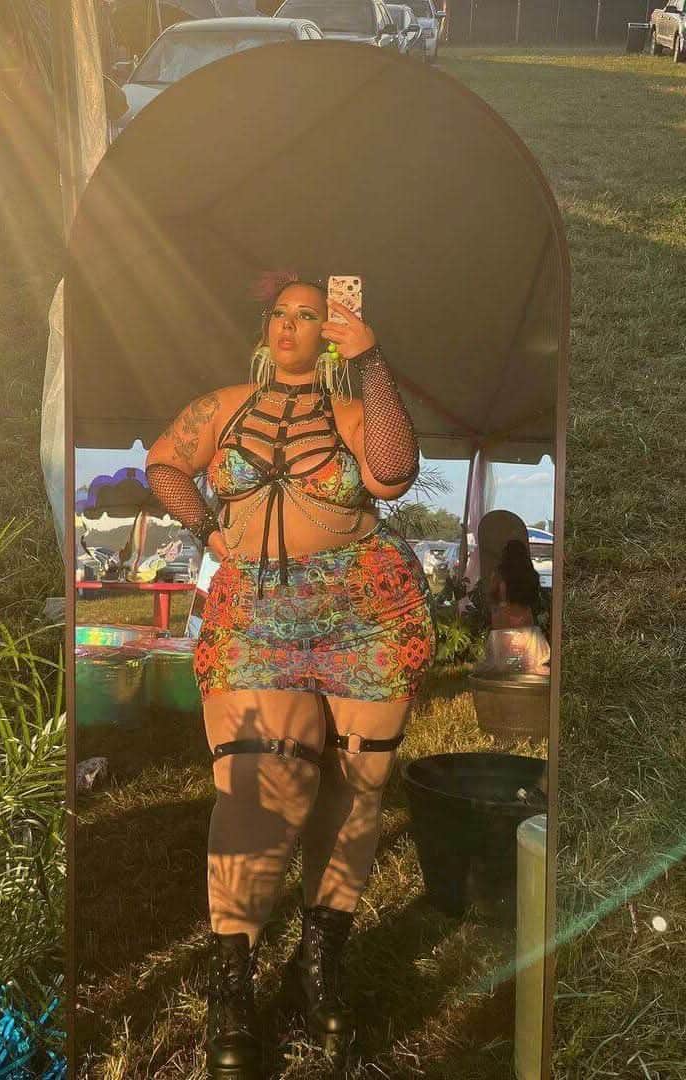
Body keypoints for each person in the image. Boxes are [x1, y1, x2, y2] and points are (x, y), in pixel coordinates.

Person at [145, 275, 437, 1078]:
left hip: (363, 607)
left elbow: (391, 471)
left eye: (311, 315)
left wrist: (370, 359)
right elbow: (166, 463)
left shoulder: (350, 412)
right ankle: (231, 985)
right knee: (265, 781)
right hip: (256, 611)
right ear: (265, 325)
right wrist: (206, 527)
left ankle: (320, 962)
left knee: (358, 785)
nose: (291, 324)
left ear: (328, 333)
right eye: (282, 311)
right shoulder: (226, 406)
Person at [477, 538, 549, 675]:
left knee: (501, 664)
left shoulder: (499, 574)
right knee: (528, 663)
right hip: (525, 616)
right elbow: (534, 599)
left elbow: (492, 595)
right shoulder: (531, 575)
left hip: (503, 618)